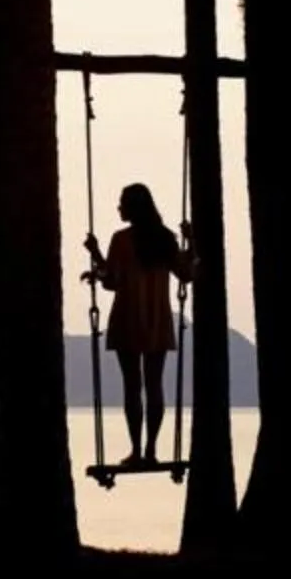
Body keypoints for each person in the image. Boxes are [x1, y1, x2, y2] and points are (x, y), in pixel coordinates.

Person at [83, 183, 195, 467]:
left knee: (132, 386)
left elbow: (112, 281)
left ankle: (135, 451)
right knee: (154, 385)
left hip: (128, 318)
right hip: (157, 319)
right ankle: (151, 450)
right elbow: (186, 274)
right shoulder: (165, 239)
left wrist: (96, 255)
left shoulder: (121, 240)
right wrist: (191, 242)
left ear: (133, 207)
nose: (118, 207)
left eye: (122, 203)